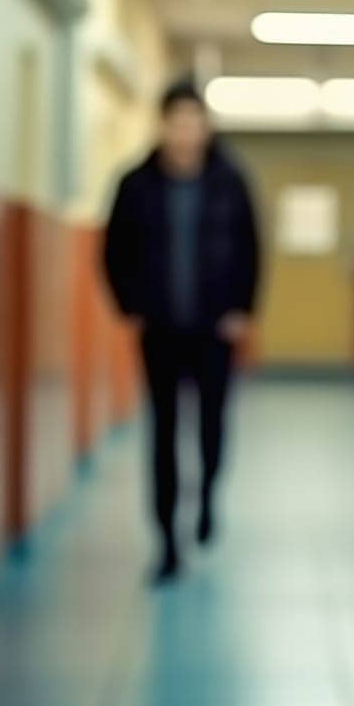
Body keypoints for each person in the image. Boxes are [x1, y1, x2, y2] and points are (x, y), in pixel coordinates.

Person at [103, 79, 259, 585]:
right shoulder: (135, 184)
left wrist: (242, 307)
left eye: (195, 122)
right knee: (164, 433)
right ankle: (167, 542)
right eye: (177, 122)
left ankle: (208, 494)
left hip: (215, 327)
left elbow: (252, 247)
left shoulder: (230, 181)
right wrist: (130, 305)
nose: (186, 132)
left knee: (212, 424)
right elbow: (113, 250)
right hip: (161, 329)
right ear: (163, 124)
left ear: (205, 127)